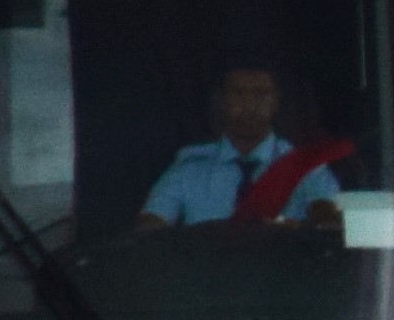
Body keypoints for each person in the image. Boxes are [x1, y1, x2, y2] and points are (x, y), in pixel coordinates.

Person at [136, 57, 349, 232]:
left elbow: (329, 220)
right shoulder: (189, 169)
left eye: (260, 94)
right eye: (238, 93)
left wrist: (313, 222)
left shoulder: (305, 168)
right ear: (221, 101)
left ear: (276, 100)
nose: (250, 106)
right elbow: (149, 227)